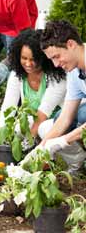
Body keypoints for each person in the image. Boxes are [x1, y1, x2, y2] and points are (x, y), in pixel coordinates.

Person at [37, 20, 86, 173]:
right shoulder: (74, 72)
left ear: (71, 44)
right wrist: (40, 149)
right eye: (52, 59)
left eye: (57, 56)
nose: (56, 64)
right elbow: (65, 118)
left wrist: (63, 141)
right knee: (56, 121)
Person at [0, 29, 66, 141]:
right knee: (18, 127)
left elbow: (44, 112)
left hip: (59, 121)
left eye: (33, 59)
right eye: (24, 58)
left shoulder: (56, 76)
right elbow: (8, 107)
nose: (28, 64)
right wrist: (3, 137)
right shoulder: (17, 75)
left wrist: (28, 144)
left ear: (44, 57)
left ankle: (76, 157)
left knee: (44, 129)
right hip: (37, 122)